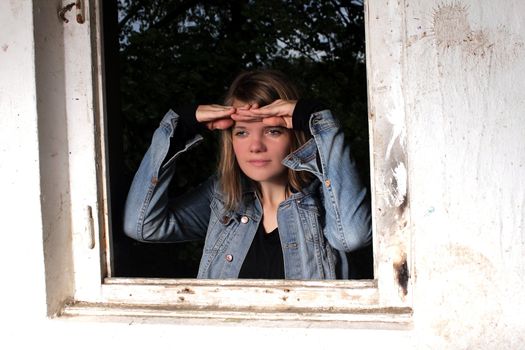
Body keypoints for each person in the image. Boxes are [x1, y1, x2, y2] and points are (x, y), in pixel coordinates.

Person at [123, 70, 372, 279]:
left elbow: (352, 236)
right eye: (242, 132)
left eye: (272, 131)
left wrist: (318, 122)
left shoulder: (325, 201)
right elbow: (142, 225)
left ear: (295, 136)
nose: (255, 146)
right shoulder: (224, 199)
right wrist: (178, 127)